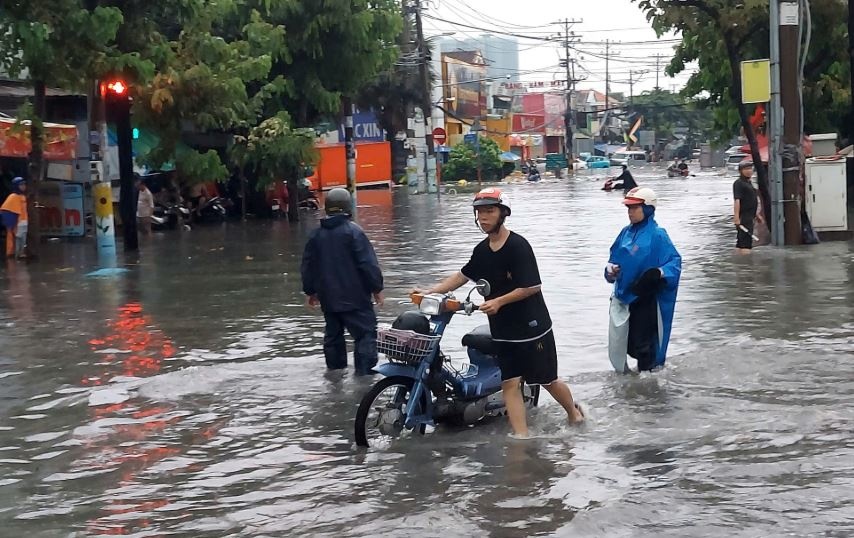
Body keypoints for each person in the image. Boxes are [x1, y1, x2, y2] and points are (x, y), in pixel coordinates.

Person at [418, 187, 584, 438]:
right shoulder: (482, 251)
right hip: (502, 328)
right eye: (480, 212)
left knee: (547, 379)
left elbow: (531, 286)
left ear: (503, 214)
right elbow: (462, 276)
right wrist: (430, 291)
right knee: (510, 382)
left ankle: (573, 413)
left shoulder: (518, 246)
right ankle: (521, 437)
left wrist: (499, 301)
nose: (484, 217)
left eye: (490, 211)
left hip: (531, 326)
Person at [301, 188, 384, 376]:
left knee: (333, 338)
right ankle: (364, 381)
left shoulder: (316, 236)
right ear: (348, 208)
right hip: (356, 299)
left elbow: (308, 266)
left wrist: (310, 291)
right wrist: (377, 288)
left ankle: (335, 378)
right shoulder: (354, 232)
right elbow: (368, 264)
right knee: (365, 335)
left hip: (329, 300)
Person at [605, 187, 681, 373]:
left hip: (647, 298)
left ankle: (648, 383)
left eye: (634, 208)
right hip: (624, 296)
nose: (630, 212)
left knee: (644, 346)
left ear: (647, 208)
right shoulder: (625, 233)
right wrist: (610, 271)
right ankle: (639, 380)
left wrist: (658, 273)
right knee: (625, 344)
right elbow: (612, 260)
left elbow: (674, 262)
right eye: (628, 208)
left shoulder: (658, 235)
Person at [733, 160, 762, 253]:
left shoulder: (749, 183)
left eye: (750, 168)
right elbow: (737, 200)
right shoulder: (738, 183)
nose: (749, 171)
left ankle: (739, 259)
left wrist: (757, 215)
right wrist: (736, 217)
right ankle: (747, 261)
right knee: (746, 243)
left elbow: (751, 200)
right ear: (740, 171)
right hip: (744, 217)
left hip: (750, 215)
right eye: (746, 169)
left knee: (741, 242)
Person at [0, 177, 28, 259]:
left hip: (24, 221)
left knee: (22, 238)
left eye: (24, 184)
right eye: (21, 184)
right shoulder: (13, 196)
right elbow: (5, 209)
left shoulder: (23, 196)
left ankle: (20, 252)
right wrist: (12, 221)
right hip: (16, 221)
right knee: (15, 237)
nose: (23, 186)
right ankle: (12, 253)